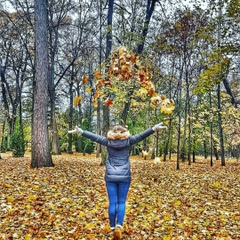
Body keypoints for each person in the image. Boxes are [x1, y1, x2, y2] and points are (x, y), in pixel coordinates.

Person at [69, 123, 167, 239]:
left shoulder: (108, 142)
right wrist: (153, 129)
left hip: (110, 176)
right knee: (121, 202)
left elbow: (95, 137)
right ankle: (119, 226)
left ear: (113, 133)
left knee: (112, 202)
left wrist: (81, 131)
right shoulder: (129, 141)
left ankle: (112, 226)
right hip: (125, 176)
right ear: (124, 132)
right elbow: (142, 135)